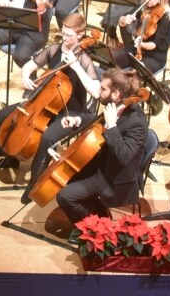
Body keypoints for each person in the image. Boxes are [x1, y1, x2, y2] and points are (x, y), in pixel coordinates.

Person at [0, 13, 101, 204]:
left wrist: (76, 66)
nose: (65, 39)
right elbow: (29, 66)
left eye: (70, 36)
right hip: (44, 100)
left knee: (47, 137)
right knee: (6, 113)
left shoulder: (84, 60)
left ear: (80, 35)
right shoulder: (54, 49)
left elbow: (96, 92)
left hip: (70, 111)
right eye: (64, 34)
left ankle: (34, 183)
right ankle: (8, 156)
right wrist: (25, 76)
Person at [56, 68, 150, 226]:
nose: (99, 90)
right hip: (102, 163)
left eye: (103, 88)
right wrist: (77, 120)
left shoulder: (136, 123)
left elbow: (124, 157)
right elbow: (99, 121)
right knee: (64, 176)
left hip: (114, 177)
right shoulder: (117, 106)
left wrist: (112, 125)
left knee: (65, 196)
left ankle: (95, 229)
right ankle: (99, 213)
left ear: (116, 94)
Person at [115, 0, 170, 77]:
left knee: (133, 76)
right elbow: (124, 17)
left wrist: (140, 44)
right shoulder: (144, 6)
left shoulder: (167, 16)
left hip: (154, 57)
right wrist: (124, 20)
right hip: (136, 50)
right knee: (111, 60)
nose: (147, 0)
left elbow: (154, 44)